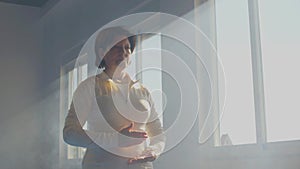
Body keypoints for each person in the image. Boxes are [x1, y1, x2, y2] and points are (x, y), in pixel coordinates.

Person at [63, 26, 165, 169]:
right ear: (102, 52)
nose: (123, 52)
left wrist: (154, 151)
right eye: (116, 48)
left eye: (126, 48)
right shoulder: (89, 87)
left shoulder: (143, 91)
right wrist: (116, 140)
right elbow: (70, 134)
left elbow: (158, 133)